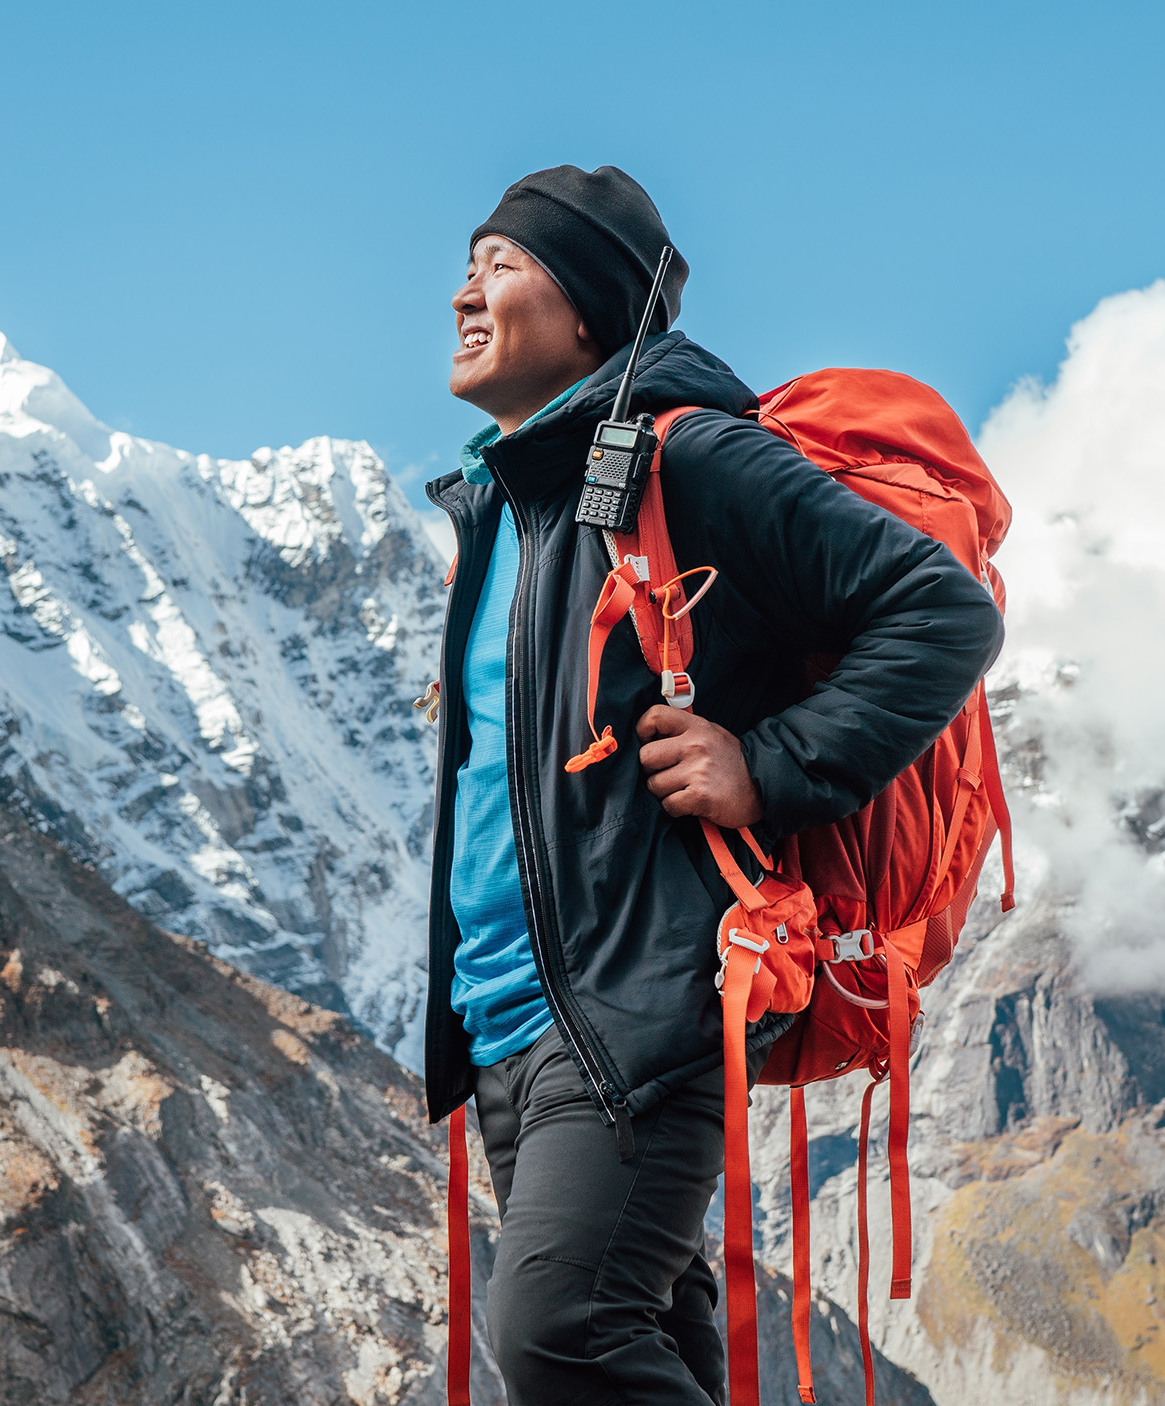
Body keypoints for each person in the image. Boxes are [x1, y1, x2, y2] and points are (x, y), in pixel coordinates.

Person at [427, 164, 1004, 1402]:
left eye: (500, 263)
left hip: (635, 1014)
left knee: (561, 1331)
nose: (463, 289)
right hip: (509, 1025)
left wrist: (770, 766)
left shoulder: (687, 460)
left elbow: (937, 612)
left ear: (587, 309)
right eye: (467, 263)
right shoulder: (509, 510)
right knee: (649, 1335)